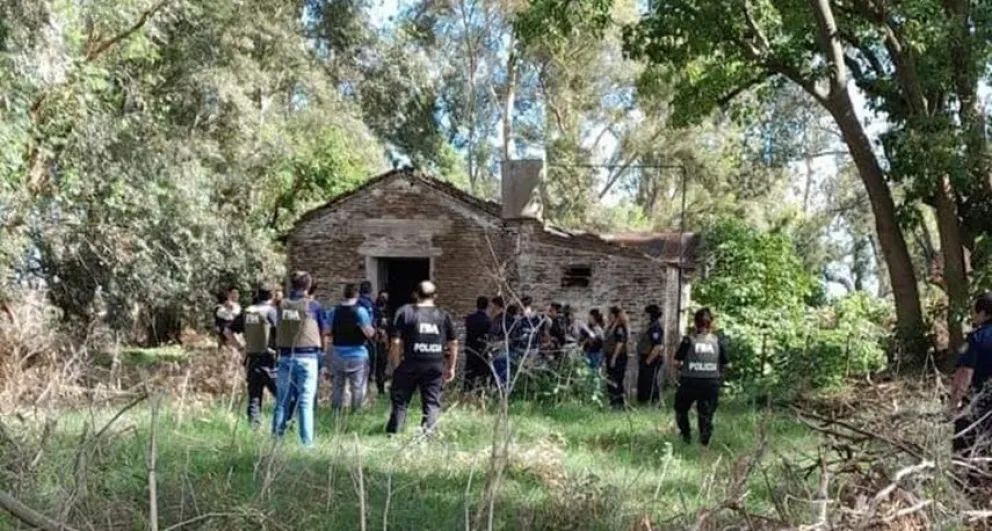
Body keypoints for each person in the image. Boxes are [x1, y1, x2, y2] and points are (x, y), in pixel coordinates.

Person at [386, 281, 458, 435]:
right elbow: (453, 343)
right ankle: (428, 435)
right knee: (431, 403)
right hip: (435, 364)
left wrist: (396, 364)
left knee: (400, 402)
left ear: (415, 294)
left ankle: (394, 434)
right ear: (435, 296)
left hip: (410, 363)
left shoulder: (406, 312)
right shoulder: (443, 315)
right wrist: (451, 367)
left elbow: (396, 342)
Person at [272, 271, 328, 448]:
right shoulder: (313, 306)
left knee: (282, 402)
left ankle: (275, 442)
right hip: (307, 357)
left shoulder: (281, 305)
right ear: (308, 286)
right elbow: (325, 330)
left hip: (285, 356)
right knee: (305, 402)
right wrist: (324, 352)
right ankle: (306, 445)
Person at [673, 308, 729, 446]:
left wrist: (684, 368)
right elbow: (727, 364)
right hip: (711, 382)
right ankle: (704, 442)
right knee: (706, 413)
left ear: (695, 323)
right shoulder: (717, 341)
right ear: (711, 323)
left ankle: (686, 437)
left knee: (681, 409)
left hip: (689, 381)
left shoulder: (688, 340)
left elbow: (676, 362)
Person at [949, 292, 992, 462]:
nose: (972, 316)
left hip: (978, 407)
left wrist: (953, 404)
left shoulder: (976, 338)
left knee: (965, 457)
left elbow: (965, 373)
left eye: (973, 312)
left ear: (983, 314)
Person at [326, 283, 376, 414]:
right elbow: (369, 333)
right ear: (357, 294)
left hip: (338, 353)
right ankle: (356, 412)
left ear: (344, 294)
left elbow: (327, 330)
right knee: (358, 386)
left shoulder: (334, 311)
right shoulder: (360, 311)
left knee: (337, 386)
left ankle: (335, 412)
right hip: (357, 353)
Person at [236, 285, 279, 428]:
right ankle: (284, 426)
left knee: (254, 397)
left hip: (252, 359)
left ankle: (253, 428)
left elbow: (227, 330)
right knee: (281, 395)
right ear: (271, 296)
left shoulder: (247, 311)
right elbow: (280, 333)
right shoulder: (271, 312)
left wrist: (241, 347)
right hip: (269, 359)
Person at [636, 304, 665, 405]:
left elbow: (658, 346)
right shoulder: (650, 326)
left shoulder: (655, 328)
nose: (643, 316)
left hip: (652, 358)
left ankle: (654, 402)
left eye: (645, 314)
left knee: (650, 381)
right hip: (646, 357)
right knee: (644, 381)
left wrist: (648, 361)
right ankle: (644, 401)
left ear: (650, 315)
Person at [464, 296, 493, 392]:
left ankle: (466, 392)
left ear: (476, 305)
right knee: (482, 375)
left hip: (470, 349)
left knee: (469, 374)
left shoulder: (469, 318)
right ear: (487, 306)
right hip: (482, 351)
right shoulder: (488, 321)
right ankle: (480, 393)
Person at [603, 306, 629, 410]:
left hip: (618, 357)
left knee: (616, 379)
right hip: (610, 356)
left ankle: (618, 403)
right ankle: (613, 402)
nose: (608, 316)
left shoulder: (619, 327)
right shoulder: (611, 326)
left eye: (610, 314)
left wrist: (614, 357)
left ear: (614, 315)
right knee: (611, 380)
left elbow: (620, 343)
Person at [372, 289, 392, 395]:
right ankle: (378, 386)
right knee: (377, 364)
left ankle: (381, 387)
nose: (384, 299)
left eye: (386, 297)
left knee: (382, 364)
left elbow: (389, 326)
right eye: (383, 297)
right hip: (376, 341)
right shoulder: (374, 311)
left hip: (384, 342)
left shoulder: (387, 311)